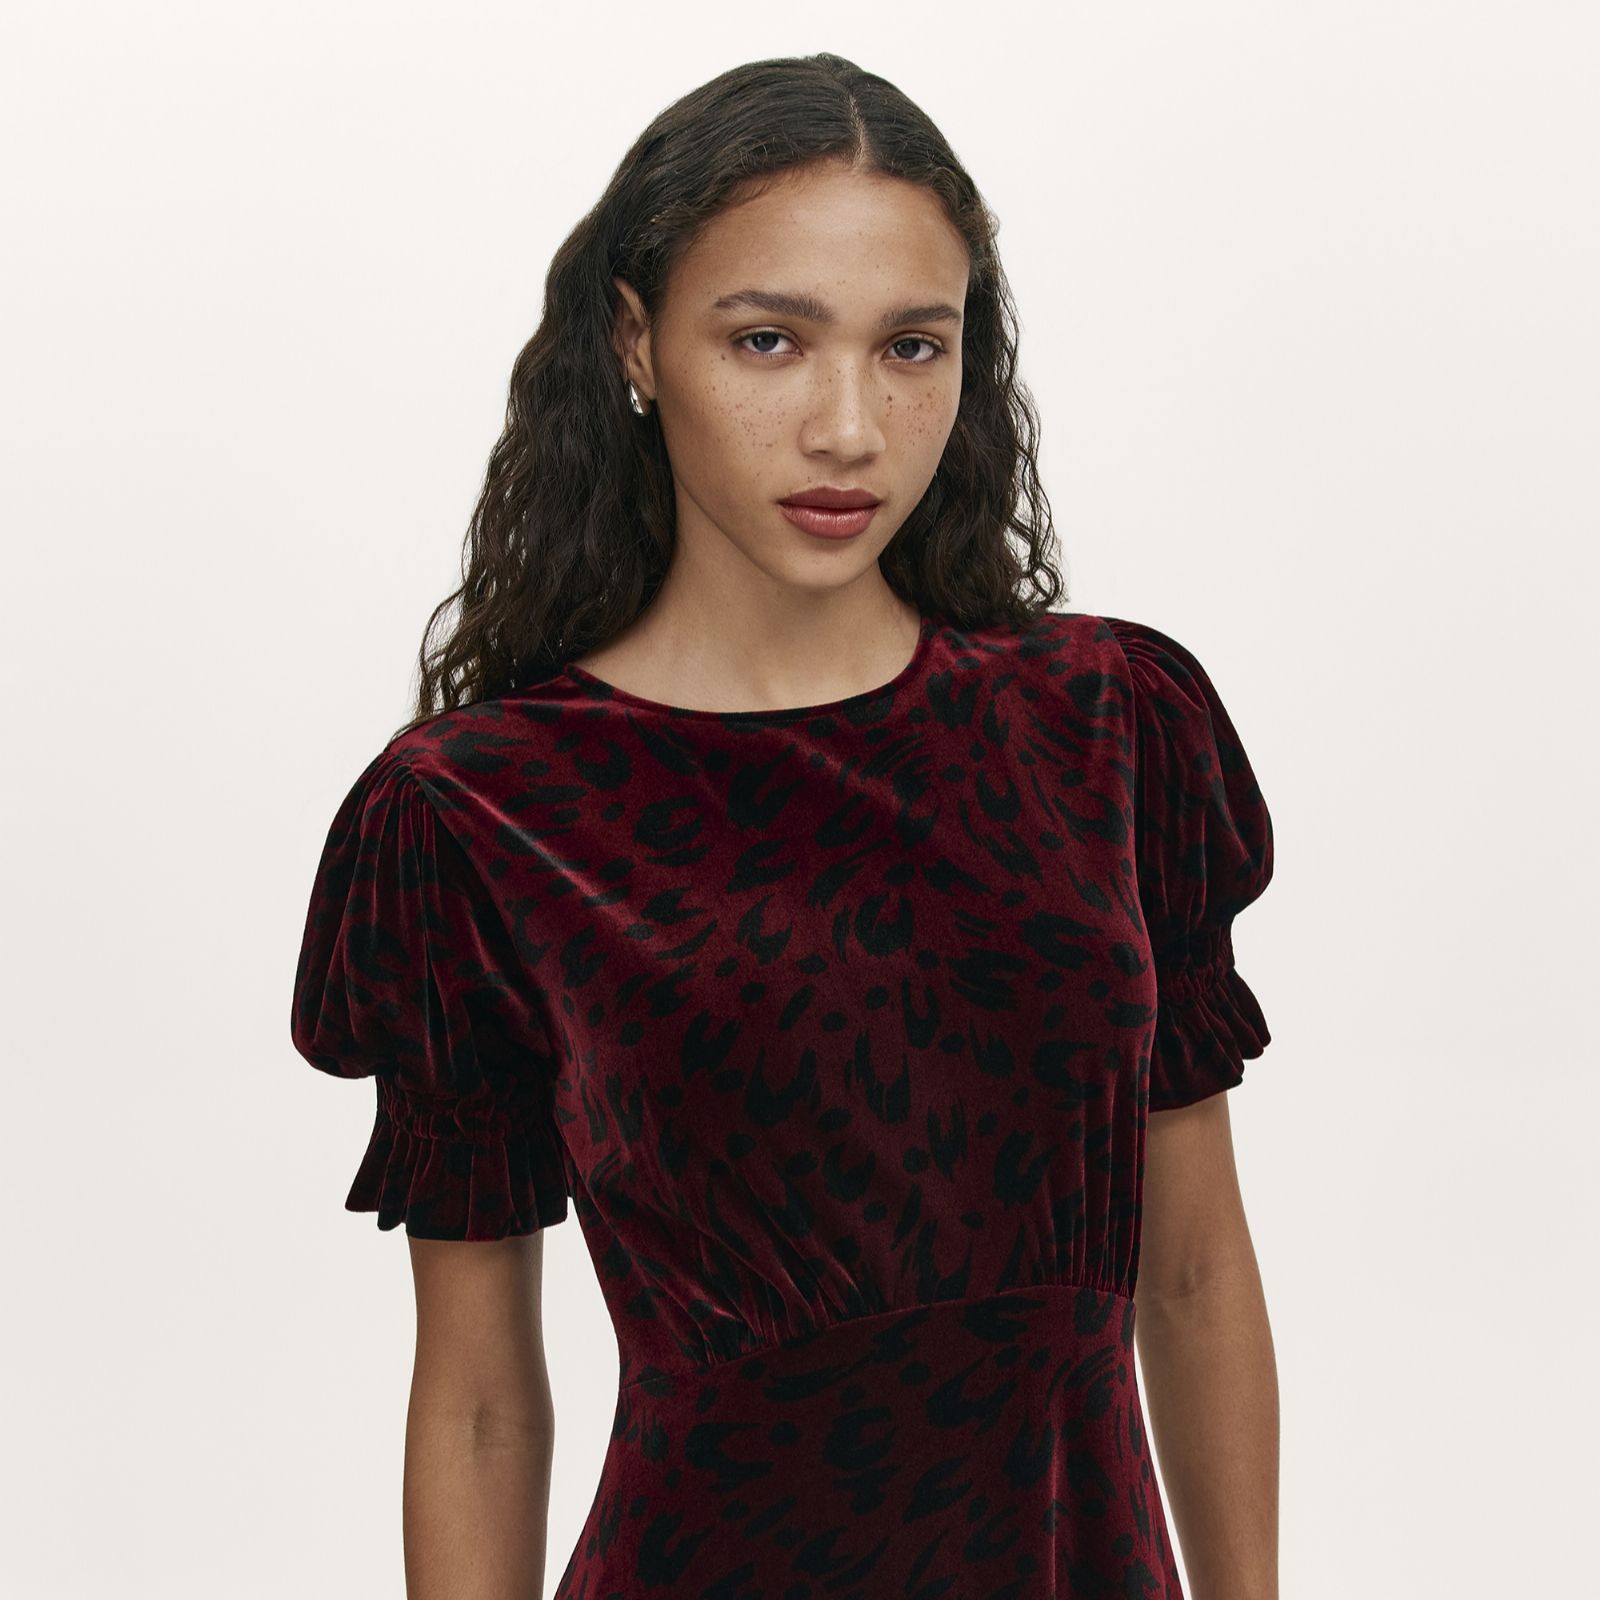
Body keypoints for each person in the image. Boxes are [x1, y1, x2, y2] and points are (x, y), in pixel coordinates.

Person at [289, 51, 1280, 1600]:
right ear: (636, 341)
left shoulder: (1107, 727)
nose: (849, 428)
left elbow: (1198, 1273)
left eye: (912, 347)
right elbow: (481, 1402)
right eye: (769, 341)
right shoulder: (485, 814)